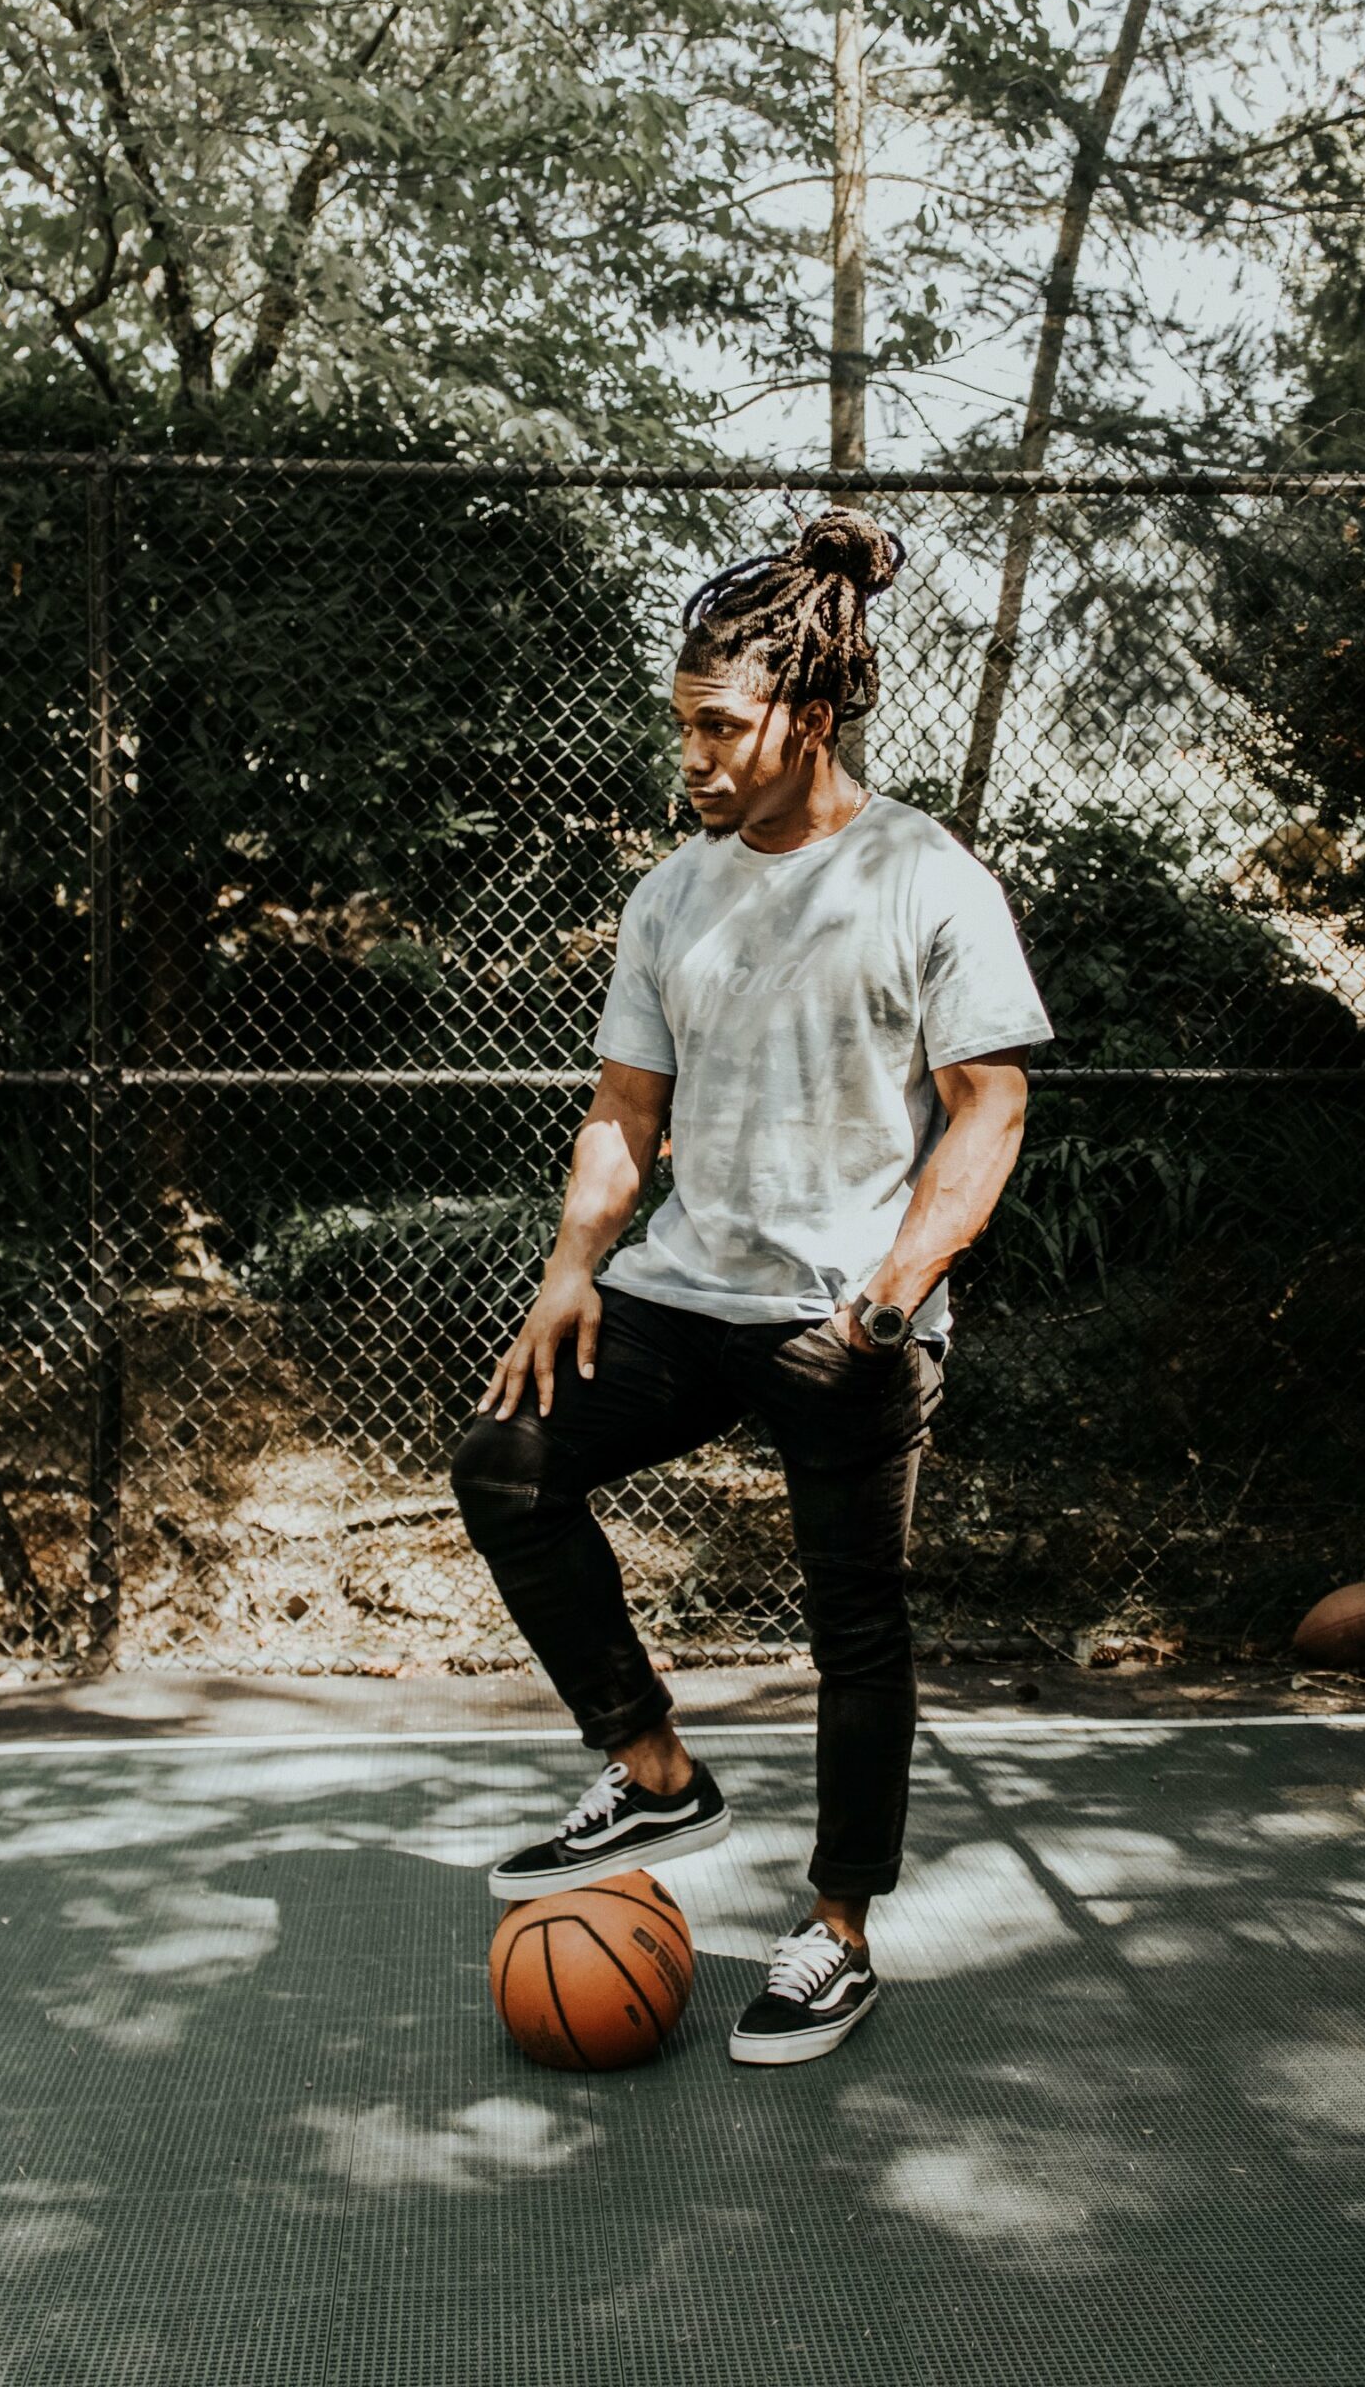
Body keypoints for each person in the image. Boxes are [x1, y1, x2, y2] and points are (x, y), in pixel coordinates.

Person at [451, 506, 1053, 2065]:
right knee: (511, 1460)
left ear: (815, 712)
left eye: (721, 727)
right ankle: (655, 1771)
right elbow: (621, 1113)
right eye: (684, 728)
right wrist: (570, 1270)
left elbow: (989, 1107)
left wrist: (891, 1297)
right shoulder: (672, 895)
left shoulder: (927, 877)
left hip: (844, 1318)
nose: (697, 758)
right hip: (682, 1294)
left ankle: (838, 1929)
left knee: (856, 1620)